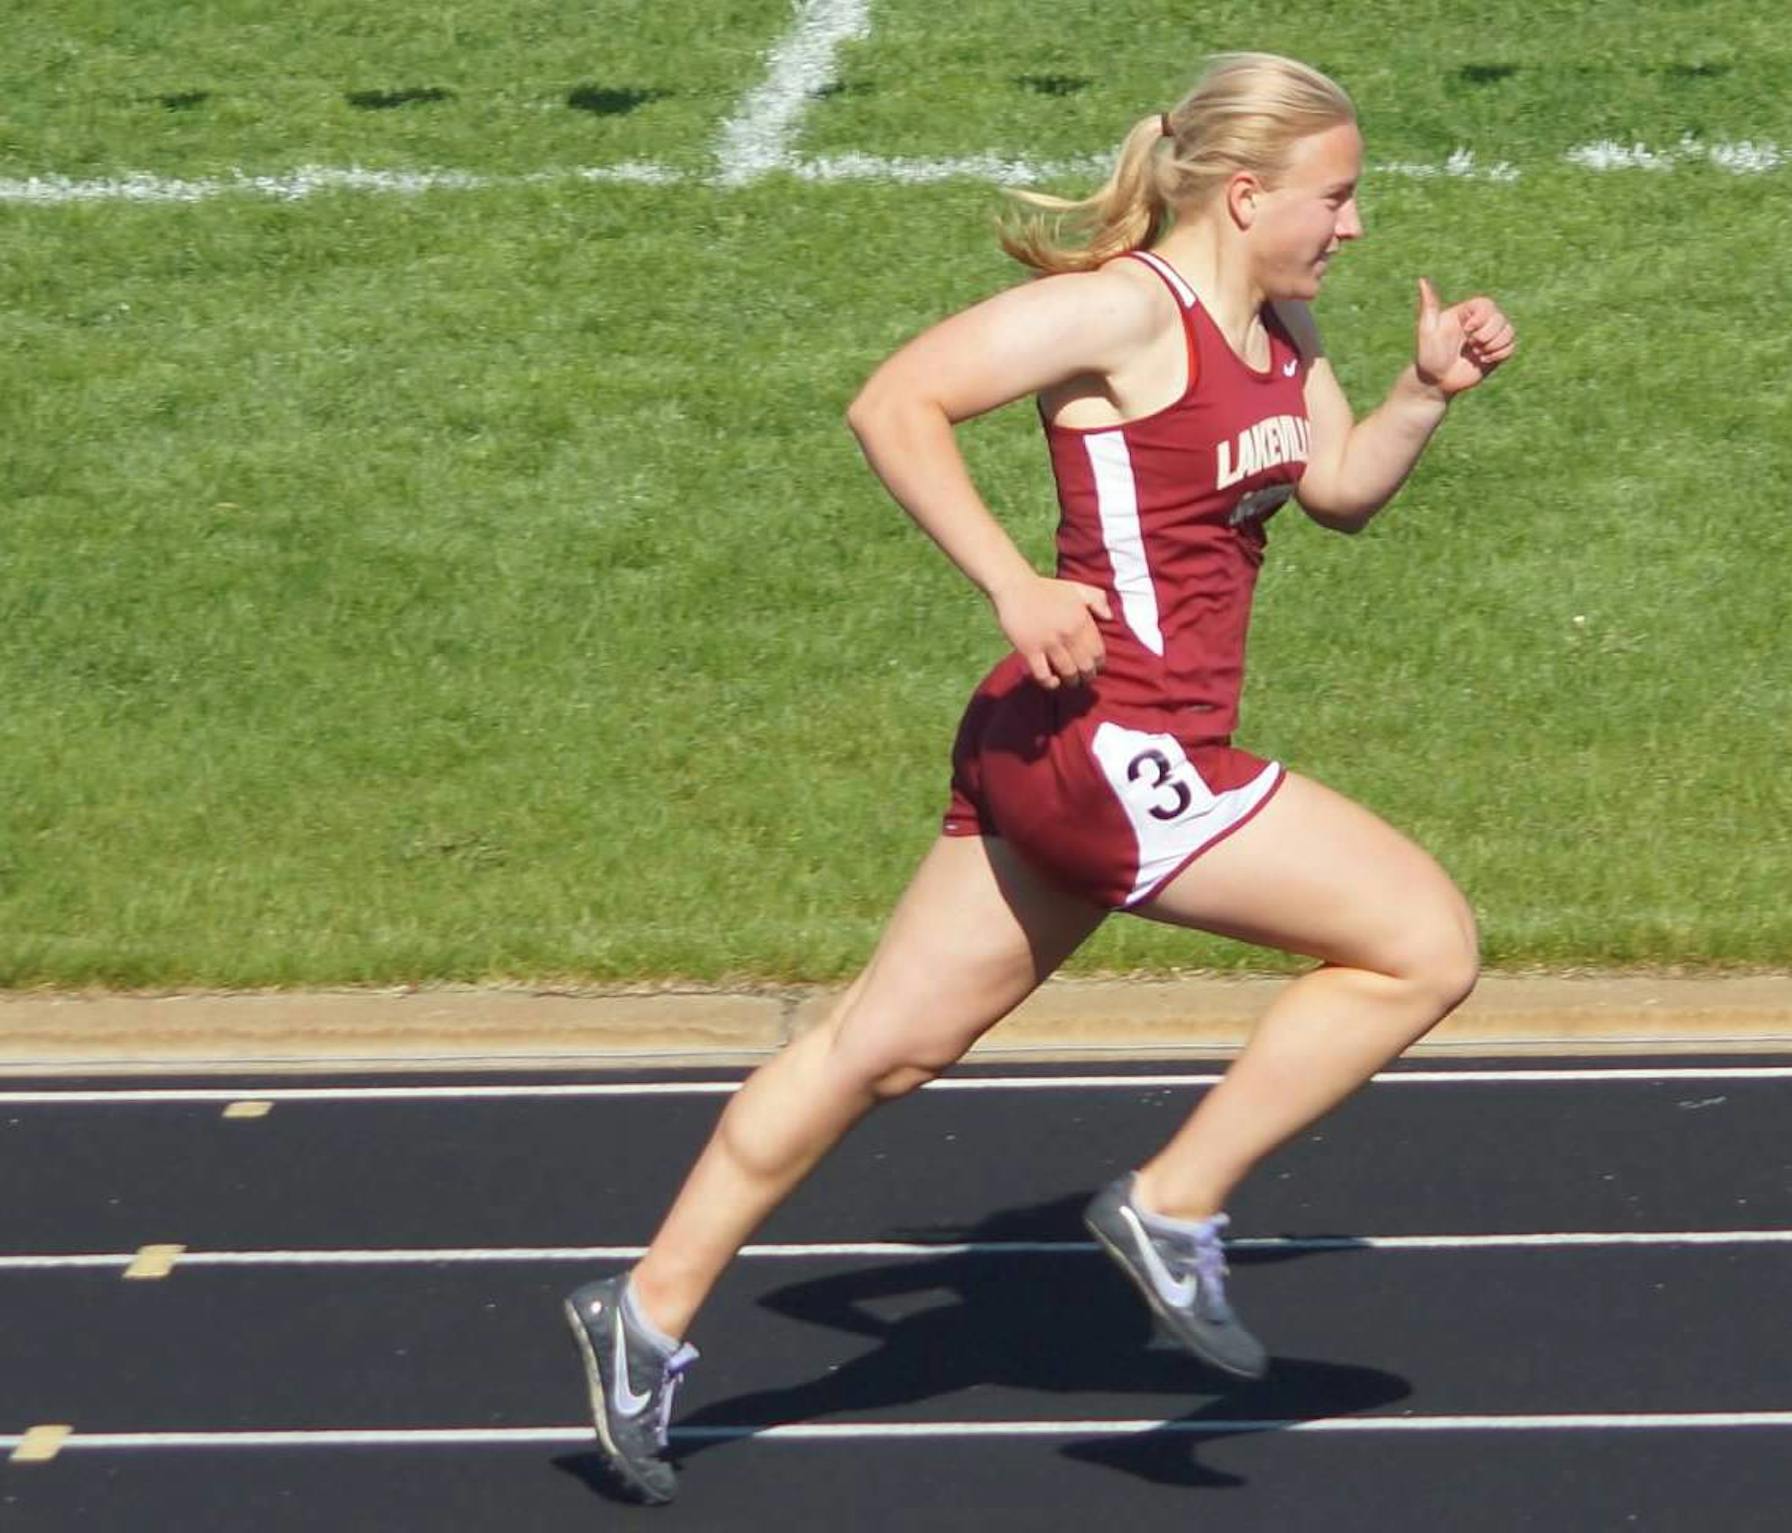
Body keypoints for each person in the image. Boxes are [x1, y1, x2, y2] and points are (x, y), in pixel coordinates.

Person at [564, 50, 1516, 1504]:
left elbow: (1334, 495)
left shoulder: (1283, 322)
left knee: (877, 1051)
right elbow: (895, 403)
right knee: (1422, 941)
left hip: (1063, 743)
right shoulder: (1122, 312)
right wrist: (1012, 579)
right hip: (1116, 743)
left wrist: (1423, 392)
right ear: (1247, 192)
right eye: (1338, 197)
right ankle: (1171, 1202)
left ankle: (641, 1313)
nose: (1357, 225)